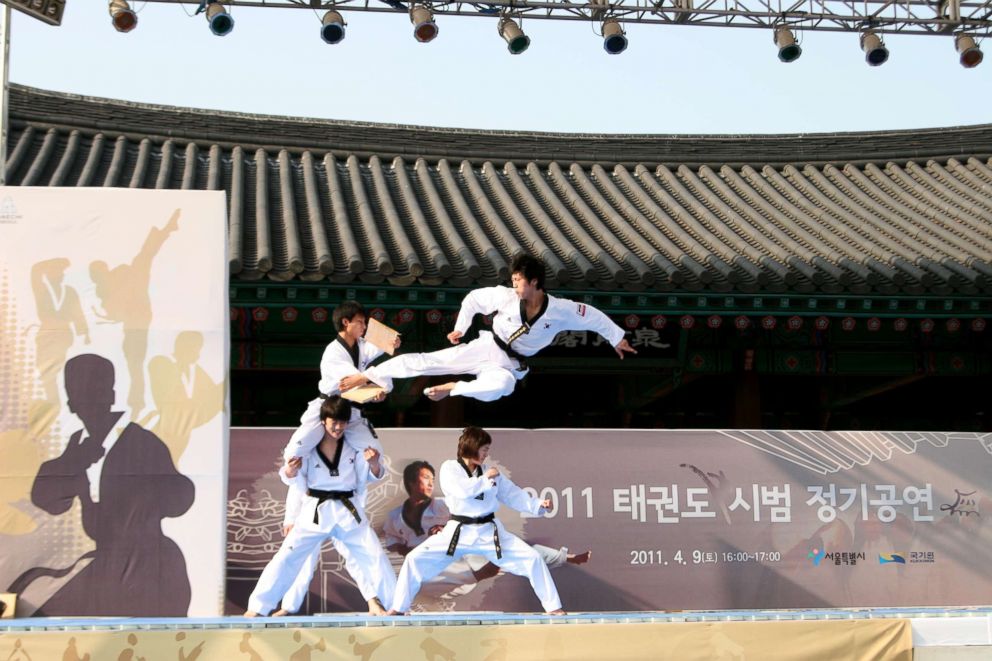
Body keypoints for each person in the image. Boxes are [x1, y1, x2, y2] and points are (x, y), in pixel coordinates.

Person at [23, 354, 194, 616]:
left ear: (111, 394)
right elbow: (45, 498)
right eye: (79, 391)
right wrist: (75, 462)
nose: (87, 399)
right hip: (103, 563)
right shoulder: (78, 446)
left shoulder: (141, 442)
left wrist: (142, 492)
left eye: (96, 389)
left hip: (150, 565)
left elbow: (181, 498)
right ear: (70, 401)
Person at [340, 254, 635, 402]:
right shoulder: (504, 296)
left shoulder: (560, 311)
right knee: (427, 361)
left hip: (510, 366)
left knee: (502, 388)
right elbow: (472, 300)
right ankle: (367, 375)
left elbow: (592, 317)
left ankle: (455, 389)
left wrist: (617, 338)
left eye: (518, 279)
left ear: (534, 282)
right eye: (513, 279)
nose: (514, 283)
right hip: (487, 346)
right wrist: (460, 328)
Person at [387, 427, 566, 615]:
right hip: (457, 532)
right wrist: (485, 480)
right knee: (414, 560)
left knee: (533, 558)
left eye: (487, 450)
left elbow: (512, 495)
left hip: (489, 532)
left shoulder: (490, 472)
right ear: (472, 447)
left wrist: (538, 505)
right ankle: (399, 608)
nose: (486, 454)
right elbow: (461, 490)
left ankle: (553, 607)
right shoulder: (451, 468)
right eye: (484, 449)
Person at [245, 396, 395, 617]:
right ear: (323, 420)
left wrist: (373, 463)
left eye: (342, 422)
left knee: (374, 556)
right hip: (315, 509)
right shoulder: (308, 447)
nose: (338, 427)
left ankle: (395, 606)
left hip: (348, 509)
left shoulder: (355, 445)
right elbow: (293, 481)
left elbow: (372, 475)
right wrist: (290, 472)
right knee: (288, 557)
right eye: (334, 421)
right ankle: (257, 608)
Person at [284, 300, 398, 462]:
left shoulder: (361, 345)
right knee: (296, 451)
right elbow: (353, 380)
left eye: (364, 322)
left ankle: (361, 483)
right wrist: (376, 391)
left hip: (351, 410)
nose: (364, 327)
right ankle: (294, 482)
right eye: (360, 322)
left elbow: (376, 347)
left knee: (375, 453)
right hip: (326, 410)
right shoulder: (333, 352)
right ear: (346, 322)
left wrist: (390, 342)